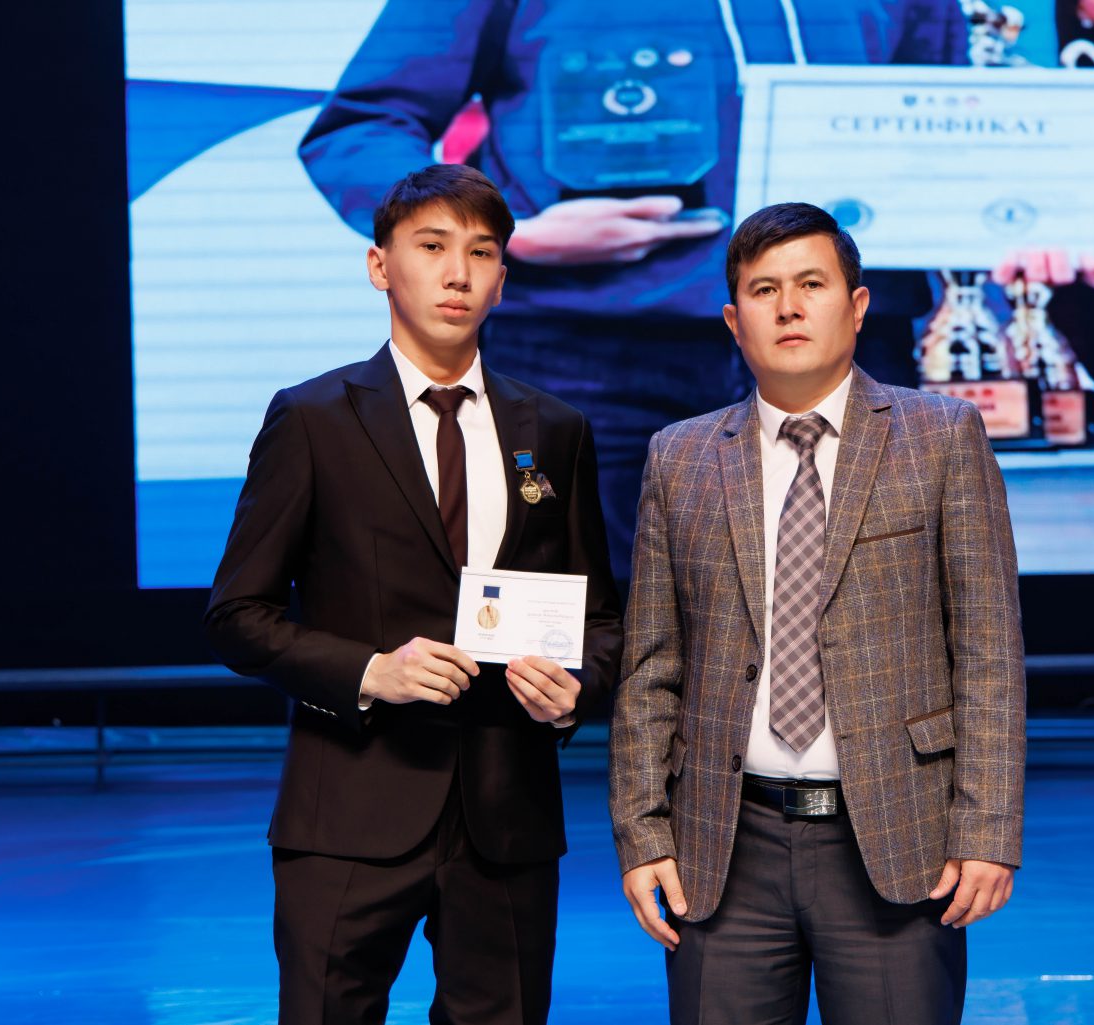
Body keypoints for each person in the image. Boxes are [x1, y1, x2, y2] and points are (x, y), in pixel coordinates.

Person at [298, 0, 970, 579]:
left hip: (841, 344)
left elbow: (949, 118)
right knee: (572, 633)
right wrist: (509, 233)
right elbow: (362, 126)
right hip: (590, 347)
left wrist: (1006, 219)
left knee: (853, 623)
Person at [205, 164, 623, 1025]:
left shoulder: (555, 430)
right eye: (432, 247)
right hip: (348, 807)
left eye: (482, 252)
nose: (457, 273)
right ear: (379, 266)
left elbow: (603, 622)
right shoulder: (313, 418)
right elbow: (238, 615)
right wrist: (371, 671)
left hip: (506, 814)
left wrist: (576, 687)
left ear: (504, 278)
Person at [609, 203, 1025, 1024]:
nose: (789, 307)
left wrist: (987, 827)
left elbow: (988, 649)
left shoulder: (941, 435)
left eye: (811, 284)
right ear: (734, 320)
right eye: (764, 290)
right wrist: (642, 831)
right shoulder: (681, 456)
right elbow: (651, 664)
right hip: (722, 846)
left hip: (898, 837)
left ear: (858, 305)